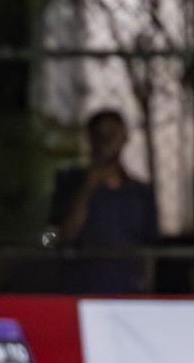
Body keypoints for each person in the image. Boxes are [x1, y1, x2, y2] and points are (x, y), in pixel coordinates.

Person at [46, 109, 159, 292]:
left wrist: (147, 292)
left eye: (112, 133)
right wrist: (88, 186)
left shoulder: (141, 194)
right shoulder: (69, 183)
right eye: (99, 134)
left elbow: (150, 248)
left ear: (125, 138)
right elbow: (52, 238)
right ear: (90, 138)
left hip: (128, 292)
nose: (106, 140)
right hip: (79, 290)